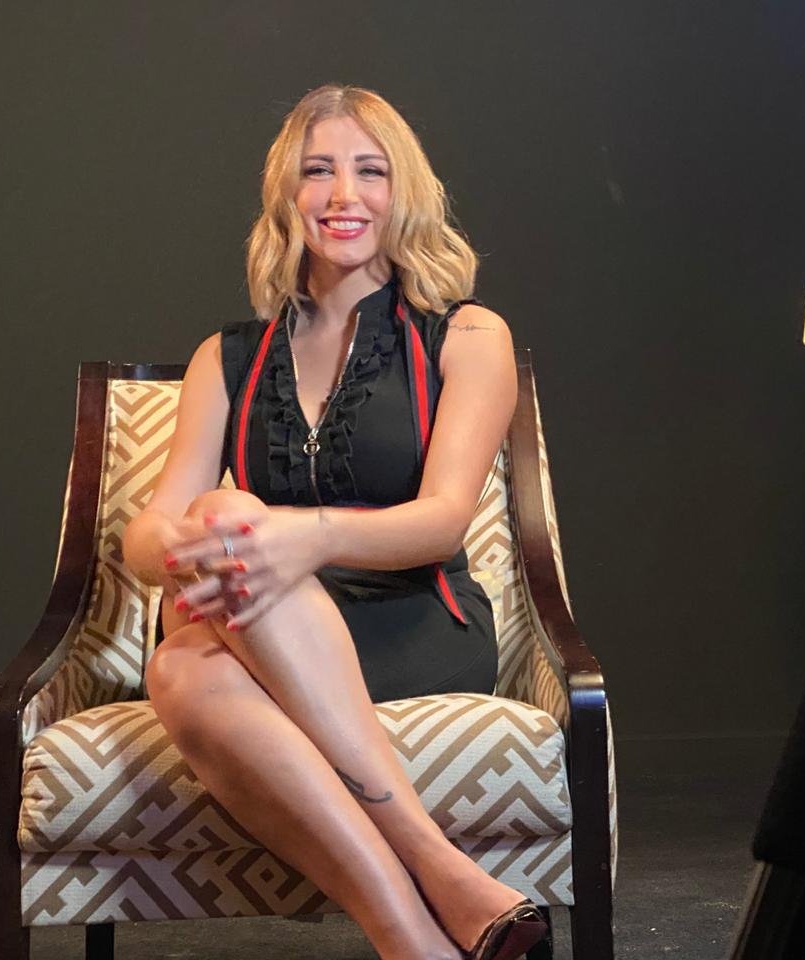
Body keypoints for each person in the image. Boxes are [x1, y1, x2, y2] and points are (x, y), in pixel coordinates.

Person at [123, 84, 547, 960]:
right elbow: (146, 534)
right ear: (287, 193)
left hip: (413, 619)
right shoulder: (226, 356)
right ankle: (420, 926)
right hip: (259, 626)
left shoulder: (467, 336)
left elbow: (442, 521)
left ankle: (426, 891)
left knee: (191, 642)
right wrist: (193, 542)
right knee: (191, 629)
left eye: (370, 172)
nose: (343, 195)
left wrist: (302, 538)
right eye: (318, 171)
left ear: (405, 192)